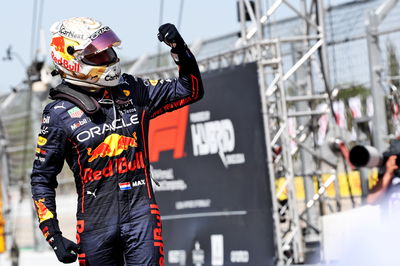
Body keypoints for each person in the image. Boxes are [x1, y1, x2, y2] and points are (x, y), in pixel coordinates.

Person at [30, 17, 204, 265]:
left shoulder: (131, 88)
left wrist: (179, 48)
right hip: (95, 224)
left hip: (141, 215)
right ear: (71, 61)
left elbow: (190, 90)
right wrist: (53, 233)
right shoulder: (58, 113)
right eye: (98, 56)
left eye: (108, 52)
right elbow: (42, 179)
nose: (108, 60)